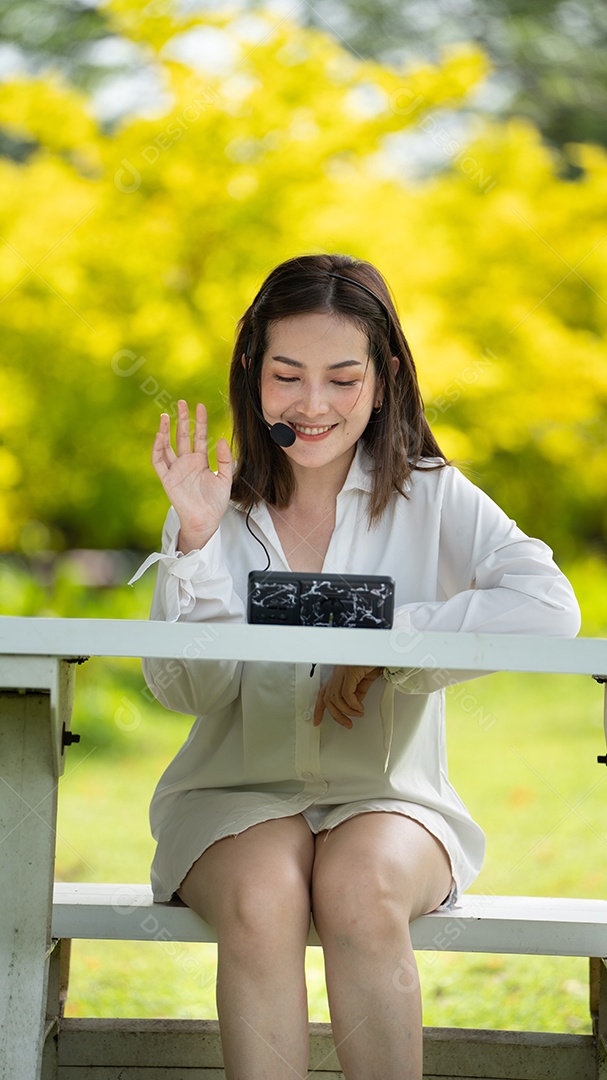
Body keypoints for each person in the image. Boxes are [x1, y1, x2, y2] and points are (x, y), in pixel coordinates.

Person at [130, 253, 581, 1080]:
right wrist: (193, 545)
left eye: (342, 378)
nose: (311, 405)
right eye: (286, 375)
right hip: (231, 795)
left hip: (389, 801)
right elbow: (184, 690)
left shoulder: (432, 494)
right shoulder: (214, 503)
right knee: (265, 896)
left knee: (359, 887)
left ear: (384, 379)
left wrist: (380, 647)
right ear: (250, 374)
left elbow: (549, 607)